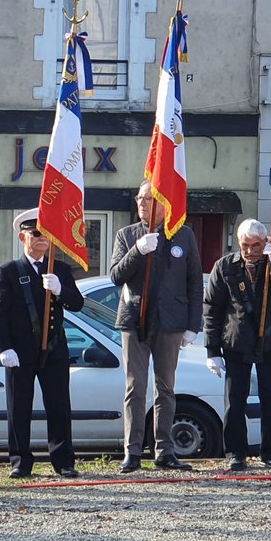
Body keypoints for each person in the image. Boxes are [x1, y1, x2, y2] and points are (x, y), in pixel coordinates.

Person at [109, 180, 203, 472]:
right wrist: (137, 250)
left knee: (166, 388)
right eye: (140, 198)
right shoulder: (127, 235)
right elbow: (115, 275)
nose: (142, 203)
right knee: (135, 387)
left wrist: (192, 324)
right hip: (134, 319)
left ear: (165, 203)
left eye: (149, 198)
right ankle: (132, 451)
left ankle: (164, 450)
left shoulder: (183, 236)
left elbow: (194, 283)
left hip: (170, 321)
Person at [0, 208, 83, 479]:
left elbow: (77, 304)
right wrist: (3, 348)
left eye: (46, 235)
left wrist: (60, 290)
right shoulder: (8, 271)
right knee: (19, 407)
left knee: (59, 406)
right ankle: (20, 461)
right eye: (36, 234)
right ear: (23, 237)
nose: (42, 239)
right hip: (20, 350)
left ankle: (63, 461)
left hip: (53, 348)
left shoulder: (60, 269)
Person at [204, 219, 271, 471]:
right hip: (237, 341)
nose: (250, 251)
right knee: (235, 401)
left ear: (265, 243)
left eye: (256, 245)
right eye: (245, 245)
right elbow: (212, 309)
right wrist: (212, 350)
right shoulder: (225, 266)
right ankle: (236, 453)